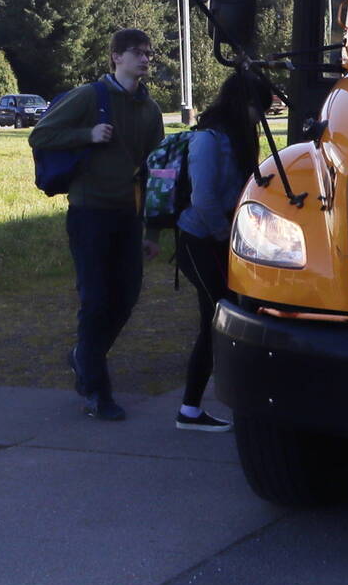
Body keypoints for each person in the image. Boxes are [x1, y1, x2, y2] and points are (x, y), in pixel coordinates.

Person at [28, 27, 163, 421]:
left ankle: (82, 357)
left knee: (126, 297)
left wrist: (152, 230)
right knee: (96, 299)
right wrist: (87, 133)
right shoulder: (91, 96)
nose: (145, 59)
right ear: (116, 56)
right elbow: (41, 134)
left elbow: (157, 172)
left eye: (149, 54)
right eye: (138, 52)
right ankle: (97, 390)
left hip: (128, 215)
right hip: (89, 213)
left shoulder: (150, 110)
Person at [162, 67, 270, 433]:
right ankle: (190, 410)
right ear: (242, 104)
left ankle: (196, 407)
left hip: (221, 241)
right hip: (200, 240)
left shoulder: (237, 138)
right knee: (219, 320)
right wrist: (228, 237)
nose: (261, 119)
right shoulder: (208, 139)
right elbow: (204, 199)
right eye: (259, 110)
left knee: (221, 318)